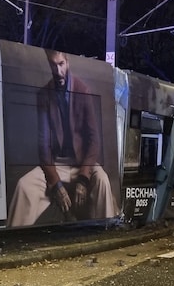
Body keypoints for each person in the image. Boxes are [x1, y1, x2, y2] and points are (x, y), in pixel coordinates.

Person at [7, 49, 117, 226]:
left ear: (67, 62)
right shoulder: (43, 95)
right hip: (57, 163)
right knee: (24, 186)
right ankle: (13, 239)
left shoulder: (84, 91)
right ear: (48, 63)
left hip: (83, 162)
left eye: (61, 64)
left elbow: (94, 140)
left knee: (103, 181)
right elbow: (43, 145)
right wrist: (55, 182)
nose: (58, 71)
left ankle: (108, 230)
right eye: (53, 64)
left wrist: (83, 177)